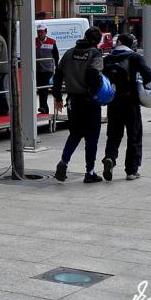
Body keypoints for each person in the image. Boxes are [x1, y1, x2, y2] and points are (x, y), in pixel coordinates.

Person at [52, 26, 105, 183]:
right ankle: (90, 172)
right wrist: (93, 91)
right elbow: (94, 74)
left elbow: (58, 74)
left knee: (75, 134)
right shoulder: (95, 54)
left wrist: (57, 97)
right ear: (97, 41)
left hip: (73, 101)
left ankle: (64, 161)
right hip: (89, 101)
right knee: (92, 138)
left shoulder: (70, 52)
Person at [101, 33, 151, 181]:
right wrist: (145, 85)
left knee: (113, 134)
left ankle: (109, 158)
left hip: (113, 101)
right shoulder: (135, 57)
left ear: (120, 42)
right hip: (130, 101)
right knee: (134, 134)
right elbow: (147, 74)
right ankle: (131, 170)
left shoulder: (108, 58)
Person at [35, 25, 60, 114]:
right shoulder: (34, 42)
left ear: (45, 32)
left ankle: (43, 107)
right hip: (37, 69)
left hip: (47, 70)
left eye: (41, 32)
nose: (39, 34)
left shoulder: (51, 42)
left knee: (44, 88)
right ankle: (45, 108)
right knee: (41, 89)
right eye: (38, 32)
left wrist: (57, 67)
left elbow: (56, 56)